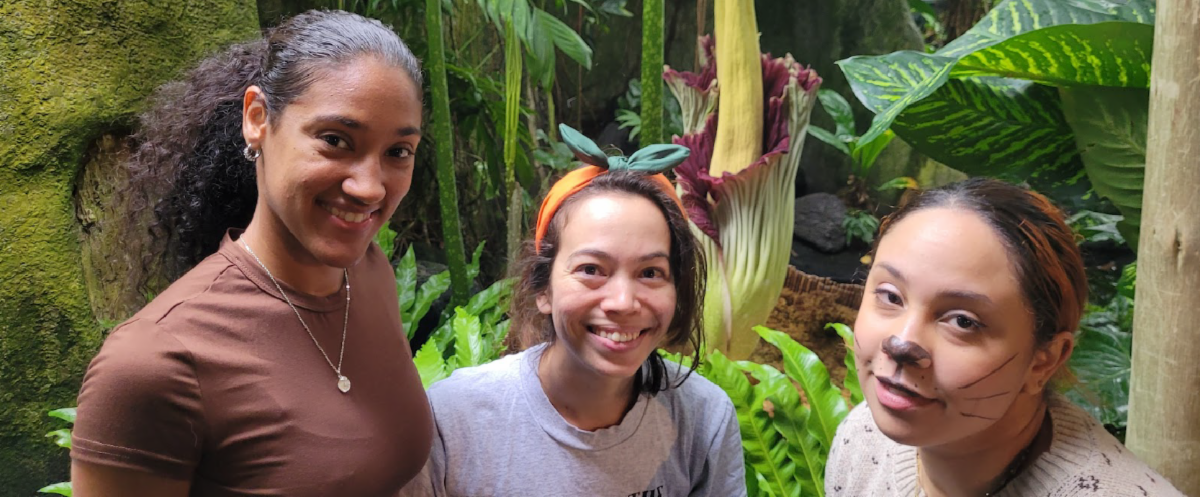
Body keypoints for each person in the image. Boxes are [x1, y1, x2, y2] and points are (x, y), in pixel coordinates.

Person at [70, 9, 433, 497]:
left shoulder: (369, 275)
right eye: (335, 141)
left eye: (398, 152)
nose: (369, 188)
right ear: (258, 119)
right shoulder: (154, 363)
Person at [401, 127, 747, 497]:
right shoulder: (454, 419)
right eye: (591, 270)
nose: (623, 302)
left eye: (650, 273)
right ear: (543, 288)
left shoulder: (703, 418)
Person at [826, 178, 1187, 497]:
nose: (902, 343)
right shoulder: (862, 443)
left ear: (1043, 361)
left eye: (963, 322)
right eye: (890, 296)